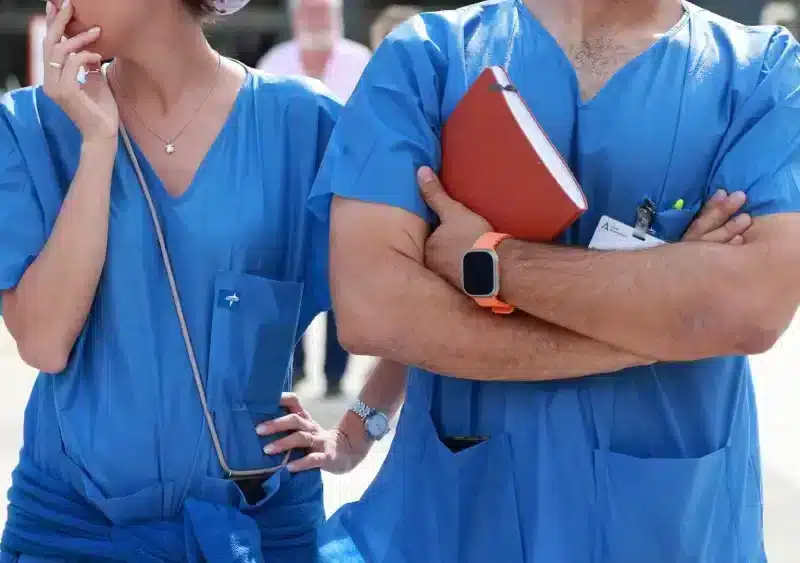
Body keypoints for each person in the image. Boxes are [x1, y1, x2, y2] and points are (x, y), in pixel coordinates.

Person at [261, 0, 800, 561]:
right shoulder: (431, 56)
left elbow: (750, 307)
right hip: (454, 516)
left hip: (670, 523)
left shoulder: (761, 72)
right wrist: (667, 318)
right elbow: (376, 308)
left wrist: (491, 263)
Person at [0, 0, 365, 559]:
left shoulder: (304, 122)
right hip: (72, 530)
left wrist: (358, 431)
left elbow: (422, 286)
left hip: (261, 527)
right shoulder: (28, 128)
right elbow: (43, 343)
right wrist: (98, 147)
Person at [257, 0, 371, 397]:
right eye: (307, 12)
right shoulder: (275, 61)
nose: (314, 19)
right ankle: (298, 370)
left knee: (343, 280)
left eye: (321, 11)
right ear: (293, 18)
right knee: (290, 278)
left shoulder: (361, 61)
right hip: (289, 190)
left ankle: (337, 374)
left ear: (337, 16)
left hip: (346, 190)